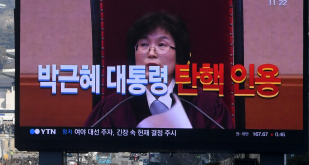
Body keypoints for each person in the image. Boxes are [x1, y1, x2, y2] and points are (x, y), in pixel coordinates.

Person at [84, 11, 233, 129]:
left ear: (179, 54)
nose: (151, 53)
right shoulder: (113, 107)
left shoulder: (206, 105)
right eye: (143, 44)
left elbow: (225, 157)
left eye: (162, 45)